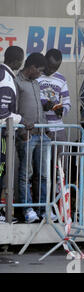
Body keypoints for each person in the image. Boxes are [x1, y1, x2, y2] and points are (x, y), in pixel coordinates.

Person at [15, 52, 50, 223]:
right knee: (25, 174)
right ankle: (27, 209)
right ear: (31, 68)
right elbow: (13, 111)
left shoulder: (36, 83)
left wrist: (46, 126)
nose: (41, 74)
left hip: (41, 134)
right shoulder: (16, 82)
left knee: (42, 175)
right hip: (26, 135)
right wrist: (22, 131)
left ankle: (42, 209)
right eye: (40, 70)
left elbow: (38, 108)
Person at [0, 46, 33, 224]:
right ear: (15, 61)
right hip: (1, 135)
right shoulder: (5, 79)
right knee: (0, 172)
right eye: (21, 60)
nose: (21, 64)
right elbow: (2, 113)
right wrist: (22, 120)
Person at [37, 49, 71, 150]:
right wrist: (42, 107)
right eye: (49, 66)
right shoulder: (36, 75)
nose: (51, 70)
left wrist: (62, 110)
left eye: (55, 68)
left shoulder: (61, 79)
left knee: (62, 161)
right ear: (45, 60)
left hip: (58, 127)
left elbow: (67, 103)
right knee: (42, 162)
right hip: (41, 128)